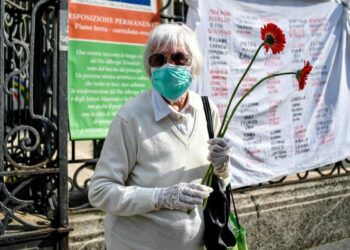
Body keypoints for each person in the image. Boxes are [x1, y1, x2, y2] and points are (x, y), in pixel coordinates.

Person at [88, 23, 231, 250]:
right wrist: (159, 197)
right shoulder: (130, 117)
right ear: (150, 68)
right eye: (158, 60)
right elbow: (100, 191)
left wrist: (223, 167)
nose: (168, 66)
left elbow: (219, 181)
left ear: (193, 63)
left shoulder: (206, 109)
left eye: (178, 57)